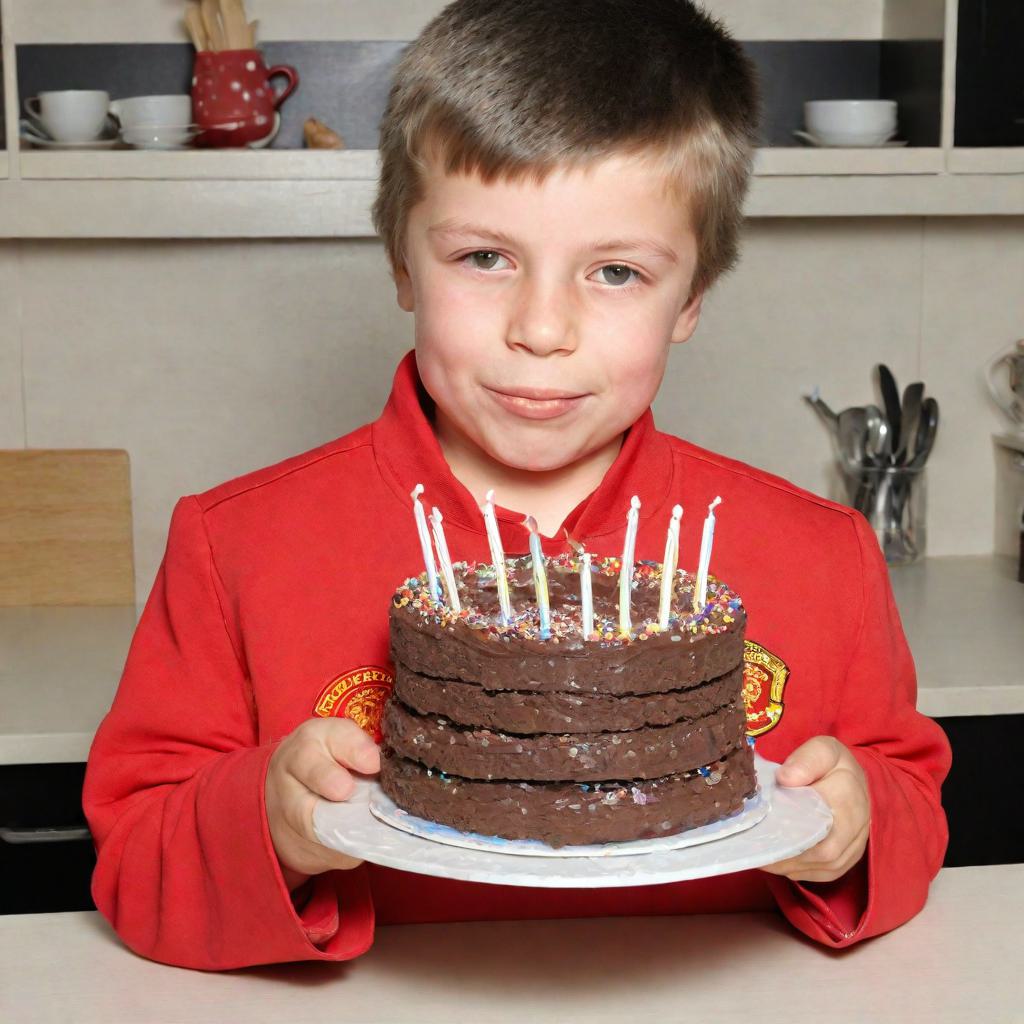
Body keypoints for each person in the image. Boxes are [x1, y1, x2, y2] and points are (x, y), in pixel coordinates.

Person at [82, 0, 950, 970]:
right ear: (401, 263)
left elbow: (909, 797)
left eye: (615, 272)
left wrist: (856, 828)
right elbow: (135, 855)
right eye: (484, 257)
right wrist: (269, 824)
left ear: (692, 298)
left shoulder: (822, 556)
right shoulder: (236, 547)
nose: (541, 329)